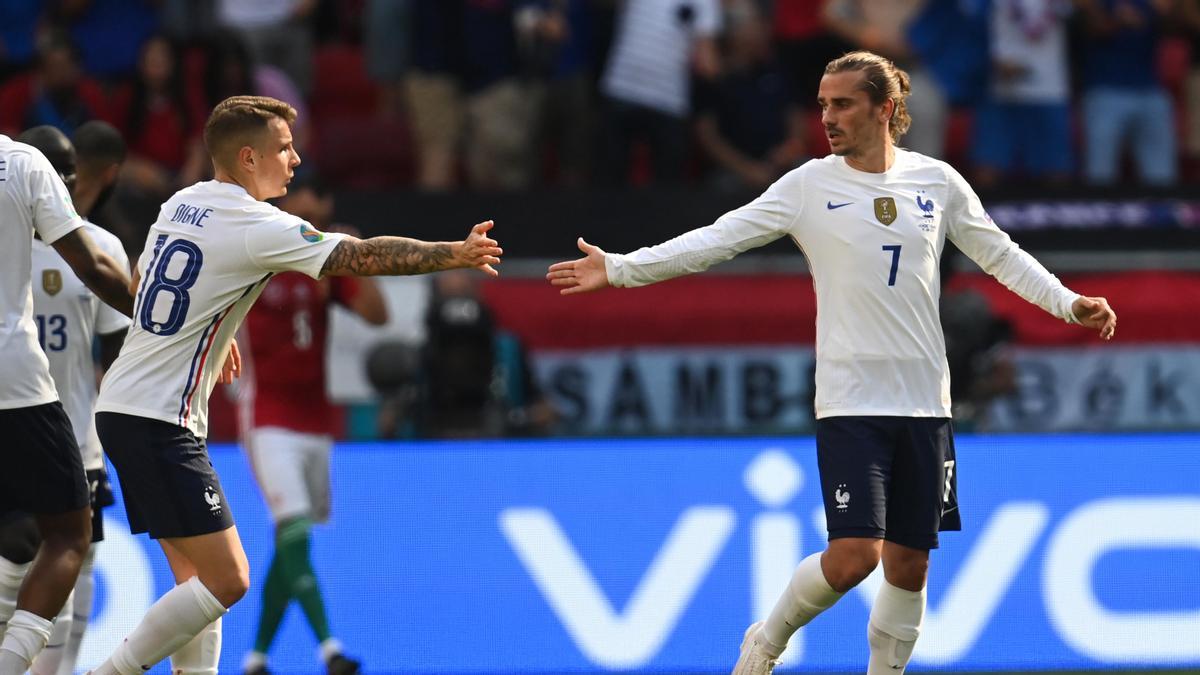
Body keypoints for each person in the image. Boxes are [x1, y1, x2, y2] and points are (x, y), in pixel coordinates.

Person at [546, 51, 1117, 675]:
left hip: (926, 401)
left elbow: (1000, 255)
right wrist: (621, 268)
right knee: (853, 558)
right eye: (822, 104)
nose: (828, 117)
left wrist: (1068, 302)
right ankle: (766, 640)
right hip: (851, 402)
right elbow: (715, 239)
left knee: (911, 564)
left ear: (886, 109)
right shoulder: (807, 187)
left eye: (842, 103)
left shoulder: (938, 182)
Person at [88, 95, 502, 675]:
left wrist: (213, 326)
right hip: (159, 419)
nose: (296, 158)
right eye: (285, 148)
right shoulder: (258, 224)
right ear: (249, 157)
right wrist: (451, 253)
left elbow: (144, 282)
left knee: (194, 586)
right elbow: (361, 257)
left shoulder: (180, 204)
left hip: (126, 407)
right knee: (227, 578)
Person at [237, 181, 387, 675]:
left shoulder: (325, 260)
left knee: (293, 539)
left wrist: (359, 260)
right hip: (268, 417)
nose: (312, 216)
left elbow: (376, 316)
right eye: (304, 206)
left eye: (318, 209)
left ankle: (256, 658)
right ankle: (330, 649)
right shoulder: (259, 250)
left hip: (316, 419)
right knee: (295, 528)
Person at [0, 123, 131, 675]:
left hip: (62, 414)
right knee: (70, 535)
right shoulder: (22, 164)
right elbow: (94, 268)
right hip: (18, 381)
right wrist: (170, 323)